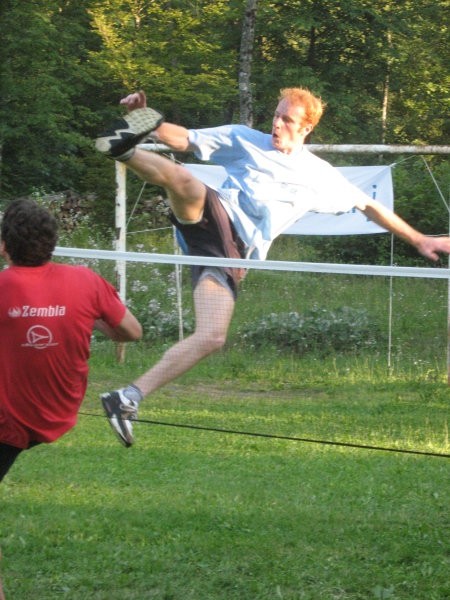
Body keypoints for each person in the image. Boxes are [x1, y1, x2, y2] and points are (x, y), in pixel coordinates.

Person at [95, 87, 450, 447]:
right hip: (218, 218)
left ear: (306, 129)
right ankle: (124, 150)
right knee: (185, 181)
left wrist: (420, 239)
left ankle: (126, 398)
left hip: (229, 254)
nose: (277, 125)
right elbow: (184, 138)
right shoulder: (245, 140)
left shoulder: (320, 175)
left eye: (287, 120)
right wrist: (145, 118)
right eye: (276, 115)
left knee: (212, 337)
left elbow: (369, 207)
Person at [0, 199, 142, 478]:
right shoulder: (85, 281)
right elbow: (132, 331)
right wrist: (81, 315)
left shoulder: (4, 286)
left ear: (4, 245)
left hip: (11, 417)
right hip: (57, 410)